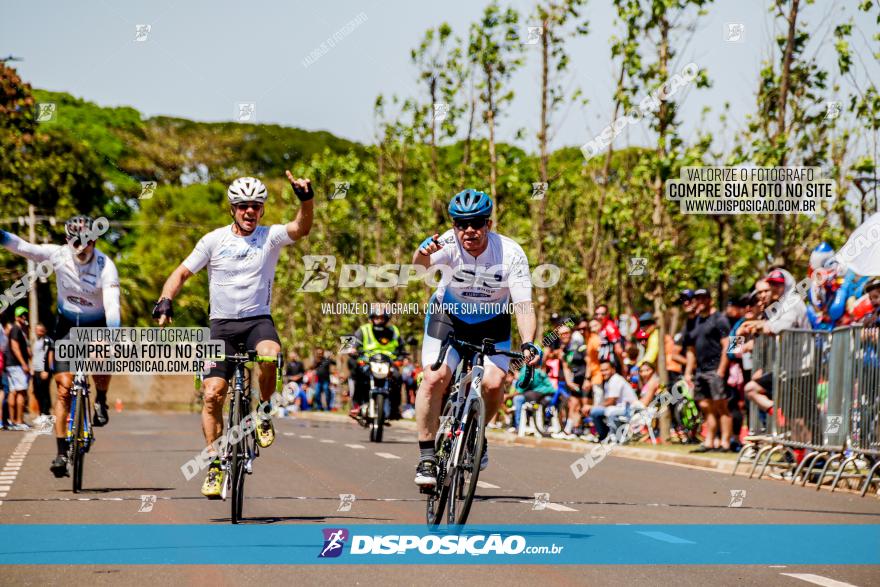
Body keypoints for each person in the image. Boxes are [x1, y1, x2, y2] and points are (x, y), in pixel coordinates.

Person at [152, 173, 314, 498]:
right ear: (232, 209)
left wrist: (306, 200)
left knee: (269, 354)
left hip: (257, 322)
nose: (249, 212)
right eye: (243, 206)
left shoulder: (270, 237)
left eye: (255, 206)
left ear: (263, 210)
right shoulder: (213, 240)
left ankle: (265, 411)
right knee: (213, 394)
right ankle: (214, 464)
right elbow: (182, 273)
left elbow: (301, 228)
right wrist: (165, 300)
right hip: (221, 327)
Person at [411, 189, 541, 487]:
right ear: (454, 225)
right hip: (448, 318)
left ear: (489, 225)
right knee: (433, 379)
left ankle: (476, 434)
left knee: (494, 383)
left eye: (477, 223)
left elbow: (522, 304)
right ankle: (427, 457)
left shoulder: (510, 253)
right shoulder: (445, 243)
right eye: (461, 223)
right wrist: (421, 253)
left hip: (492, 322)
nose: (469, 230)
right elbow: (418, 269)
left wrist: (529, 341)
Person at [1, 215, 121, 474]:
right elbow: (23, 247)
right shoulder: (57, 255)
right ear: (67, 240)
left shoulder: (106, 265)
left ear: (94, 239)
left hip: (96, 323)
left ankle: (101, 398)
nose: (80, 246)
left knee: (102, 355)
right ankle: (60, 454)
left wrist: (111, 336)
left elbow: (112, 305)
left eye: (86, 240)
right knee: (64, 389)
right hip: (66, 325)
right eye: (74, 240)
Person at [684, 288, 733, 452]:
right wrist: (688, 372)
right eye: (698, 298)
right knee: (706, 406)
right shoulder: (695, 322)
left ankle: (726, 442)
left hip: (715, 369)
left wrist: (721, 369)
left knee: (721, 406)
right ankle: (710, 441)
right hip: (700, 371)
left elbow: (727, 344)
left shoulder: (719, 319)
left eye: (704, 298)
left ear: (710, 299)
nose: (701, 301)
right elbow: (691, 349)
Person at [349, 306, 407, 419]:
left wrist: (402, 357)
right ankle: (357, 405)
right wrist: (353, 350)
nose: (379, 320)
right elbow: (353, 344)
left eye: (381, 317)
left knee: (397, 377)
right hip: (368, 363)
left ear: (386, 318)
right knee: (358, 374)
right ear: (371, 318)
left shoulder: (394, 331)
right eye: (376, 317)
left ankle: (395, 409)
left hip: (388, 364)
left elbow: (402, 348)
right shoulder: (363, 329)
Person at [589, 359, 638, 441]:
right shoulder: (609, 381)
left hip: (629, 410)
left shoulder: (616, 379)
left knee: (595, 411)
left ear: (613, 369)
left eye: (606, 370)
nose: (604, 372)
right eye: (602, 370)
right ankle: (605, 435)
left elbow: (611, 401)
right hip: (620, 408)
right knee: (597, 411)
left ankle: (605, 436)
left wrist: (592, 407)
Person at [4, 307, 31, 430]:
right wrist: (23, 363)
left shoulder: (19, 329)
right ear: (16, 317)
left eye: (25, 315)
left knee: (13, 391)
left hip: (11, 364)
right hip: (16, 365)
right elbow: (15, 347)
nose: (24, 317)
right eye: (22, 315)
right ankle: (19, 421)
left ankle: (13, 420)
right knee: (21, 391)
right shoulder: (16, 329)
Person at [31, 322, 54, 424]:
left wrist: (47, 370)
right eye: (37, 330)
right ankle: (42, 413)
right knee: (37, 392)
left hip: (43, 370)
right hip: (36, 370)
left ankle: (46, 415)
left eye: (41, 330)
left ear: (45, 331)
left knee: (44, 393)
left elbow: (50, 355)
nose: (38, 332)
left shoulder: (47, 340)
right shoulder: (37, 341)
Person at [594, 304, 624, 370]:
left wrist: (623, 367)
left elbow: (618, 349)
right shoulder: (601, 327)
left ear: (607, 315)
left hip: (611, 367)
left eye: (602, 314)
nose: (599, 316)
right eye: (597, 314)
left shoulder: (609, 327)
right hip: (603, 366)